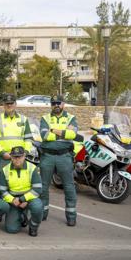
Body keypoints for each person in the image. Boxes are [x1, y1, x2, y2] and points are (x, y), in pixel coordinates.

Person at [39, 95, 80, 226]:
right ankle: (42, 213)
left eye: (58, 103)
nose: (56, 105)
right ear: (51, 105)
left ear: (63, 104)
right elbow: (44, 135)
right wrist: (63, 133)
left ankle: (71, 216)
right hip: (47, 156)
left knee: (69, 187)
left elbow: (72, 135)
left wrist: (53, 131)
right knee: (43, 187)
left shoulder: (71, 118)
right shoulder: (45, 118)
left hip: (64, 156)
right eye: (53, 103)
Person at [0, 146, 43, 236]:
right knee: (11, 229)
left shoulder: (32, 168)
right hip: (13, 199)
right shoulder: (5, 170)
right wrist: (12, 200)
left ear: (24, 156)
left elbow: (37, 189)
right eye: (15, 157)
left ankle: (33, 226)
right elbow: (2, 191)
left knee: (38, 207)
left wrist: (23, 200)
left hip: (29, 198)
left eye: (20, 156)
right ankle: (22, 217)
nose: (17, 159)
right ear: (11, 157)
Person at [0, 94, 33, 174]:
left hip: (20, 157)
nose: (9, 105)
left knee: (19, 182)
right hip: (4, 158)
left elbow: (28, 139)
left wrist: (25, 153)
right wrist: (3, 153)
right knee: (3, 183)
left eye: (11, 103)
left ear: (15, 104)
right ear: (3, 104)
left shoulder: (23, 119)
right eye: (7, 103)